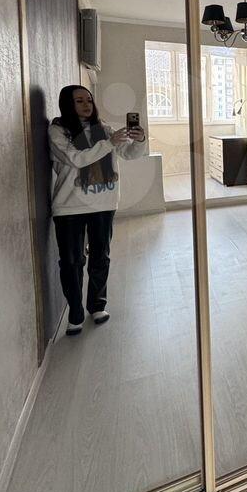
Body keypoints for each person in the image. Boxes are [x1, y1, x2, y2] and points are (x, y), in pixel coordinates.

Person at [49, 85, 146, 335]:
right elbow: (76, 159)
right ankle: (75, 312)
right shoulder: (58, 131)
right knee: (71, 261)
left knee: (100, 256)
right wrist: (109, 143)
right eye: (79, 100)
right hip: (69, 207)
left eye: (89, 100)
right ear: (67, 104)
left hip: (103, 204)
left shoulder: (104, 129)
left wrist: (139, 141)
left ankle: (97, 305)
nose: (86, 104)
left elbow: (130, 154)